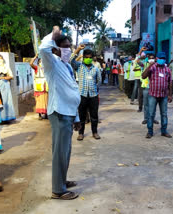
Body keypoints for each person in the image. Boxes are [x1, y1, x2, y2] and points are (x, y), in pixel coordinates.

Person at [39, 26, 81, 200]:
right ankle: (58, 190)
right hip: (59, 112)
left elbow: (72, 90)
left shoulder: (66, 65)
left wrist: (77, 117)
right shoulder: (51, 63)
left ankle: (61, 180)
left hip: (69, 113)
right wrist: (54, 33)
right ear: (56, 48)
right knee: (60, 152)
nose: (69, 49)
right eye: (65, 46)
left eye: (70, 46)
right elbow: (42, 48)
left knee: (66, 151)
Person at [71, 45, 101, 141]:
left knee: (94, 115)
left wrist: (95, 89)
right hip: (82, 95)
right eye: (86, 57)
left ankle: (95, 132)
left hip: (93, 95)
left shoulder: (95, 69)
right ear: (83, 57)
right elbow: (70, 60)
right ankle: (81, 133)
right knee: (81, 116)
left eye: (90, 57)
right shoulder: (79, 67)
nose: (88, 59)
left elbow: (99, 80)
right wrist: (78, 49)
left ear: (92, 58)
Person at [142, 52, 173, 139]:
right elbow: (143, 76)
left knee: (164, 114)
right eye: (160, 58)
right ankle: (150, 131)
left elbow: (170, 83)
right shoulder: (152, 68)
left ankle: (164, 131)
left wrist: (170, 95)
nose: (162, 60)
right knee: (151, 114)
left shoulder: (167, 70)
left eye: (163, 58)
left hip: (164, 95)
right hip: (153, 95)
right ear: (156, 58)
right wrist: (149, 66)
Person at [0, 54, 16, 123]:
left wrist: (4, 78)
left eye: (1, 58)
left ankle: (7, 117)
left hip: (5, 84)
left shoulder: (6, 66)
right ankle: (0, 118)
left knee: (7, 100)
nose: (0, 60)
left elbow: (11, 76)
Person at [30, 54, 48, 120]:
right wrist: (35, 57)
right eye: (40, 61)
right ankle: (40, 114)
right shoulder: (37, 68)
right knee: (39, 101)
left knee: (46, 101)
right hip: (39, 88)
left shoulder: (47, 69)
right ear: (38, 63)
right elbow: (31, 63)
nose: (42, 63)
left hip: (46, 87)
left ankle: (46, 114)